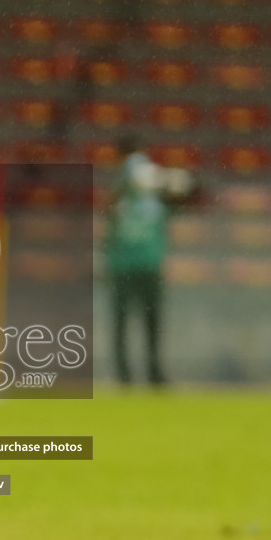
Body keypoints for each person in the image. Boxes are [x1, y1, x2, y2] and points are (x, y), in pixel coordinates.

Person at [104, 135, 192, 386]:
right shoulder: (119, 197)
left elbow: (186, 194)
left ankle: (153, 372)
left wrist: (170, 181)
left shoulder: (155, 199)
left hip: (146, 266)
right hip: (126, 266)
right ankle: (125, 375)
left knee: (149, 323)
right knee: (126, 324)